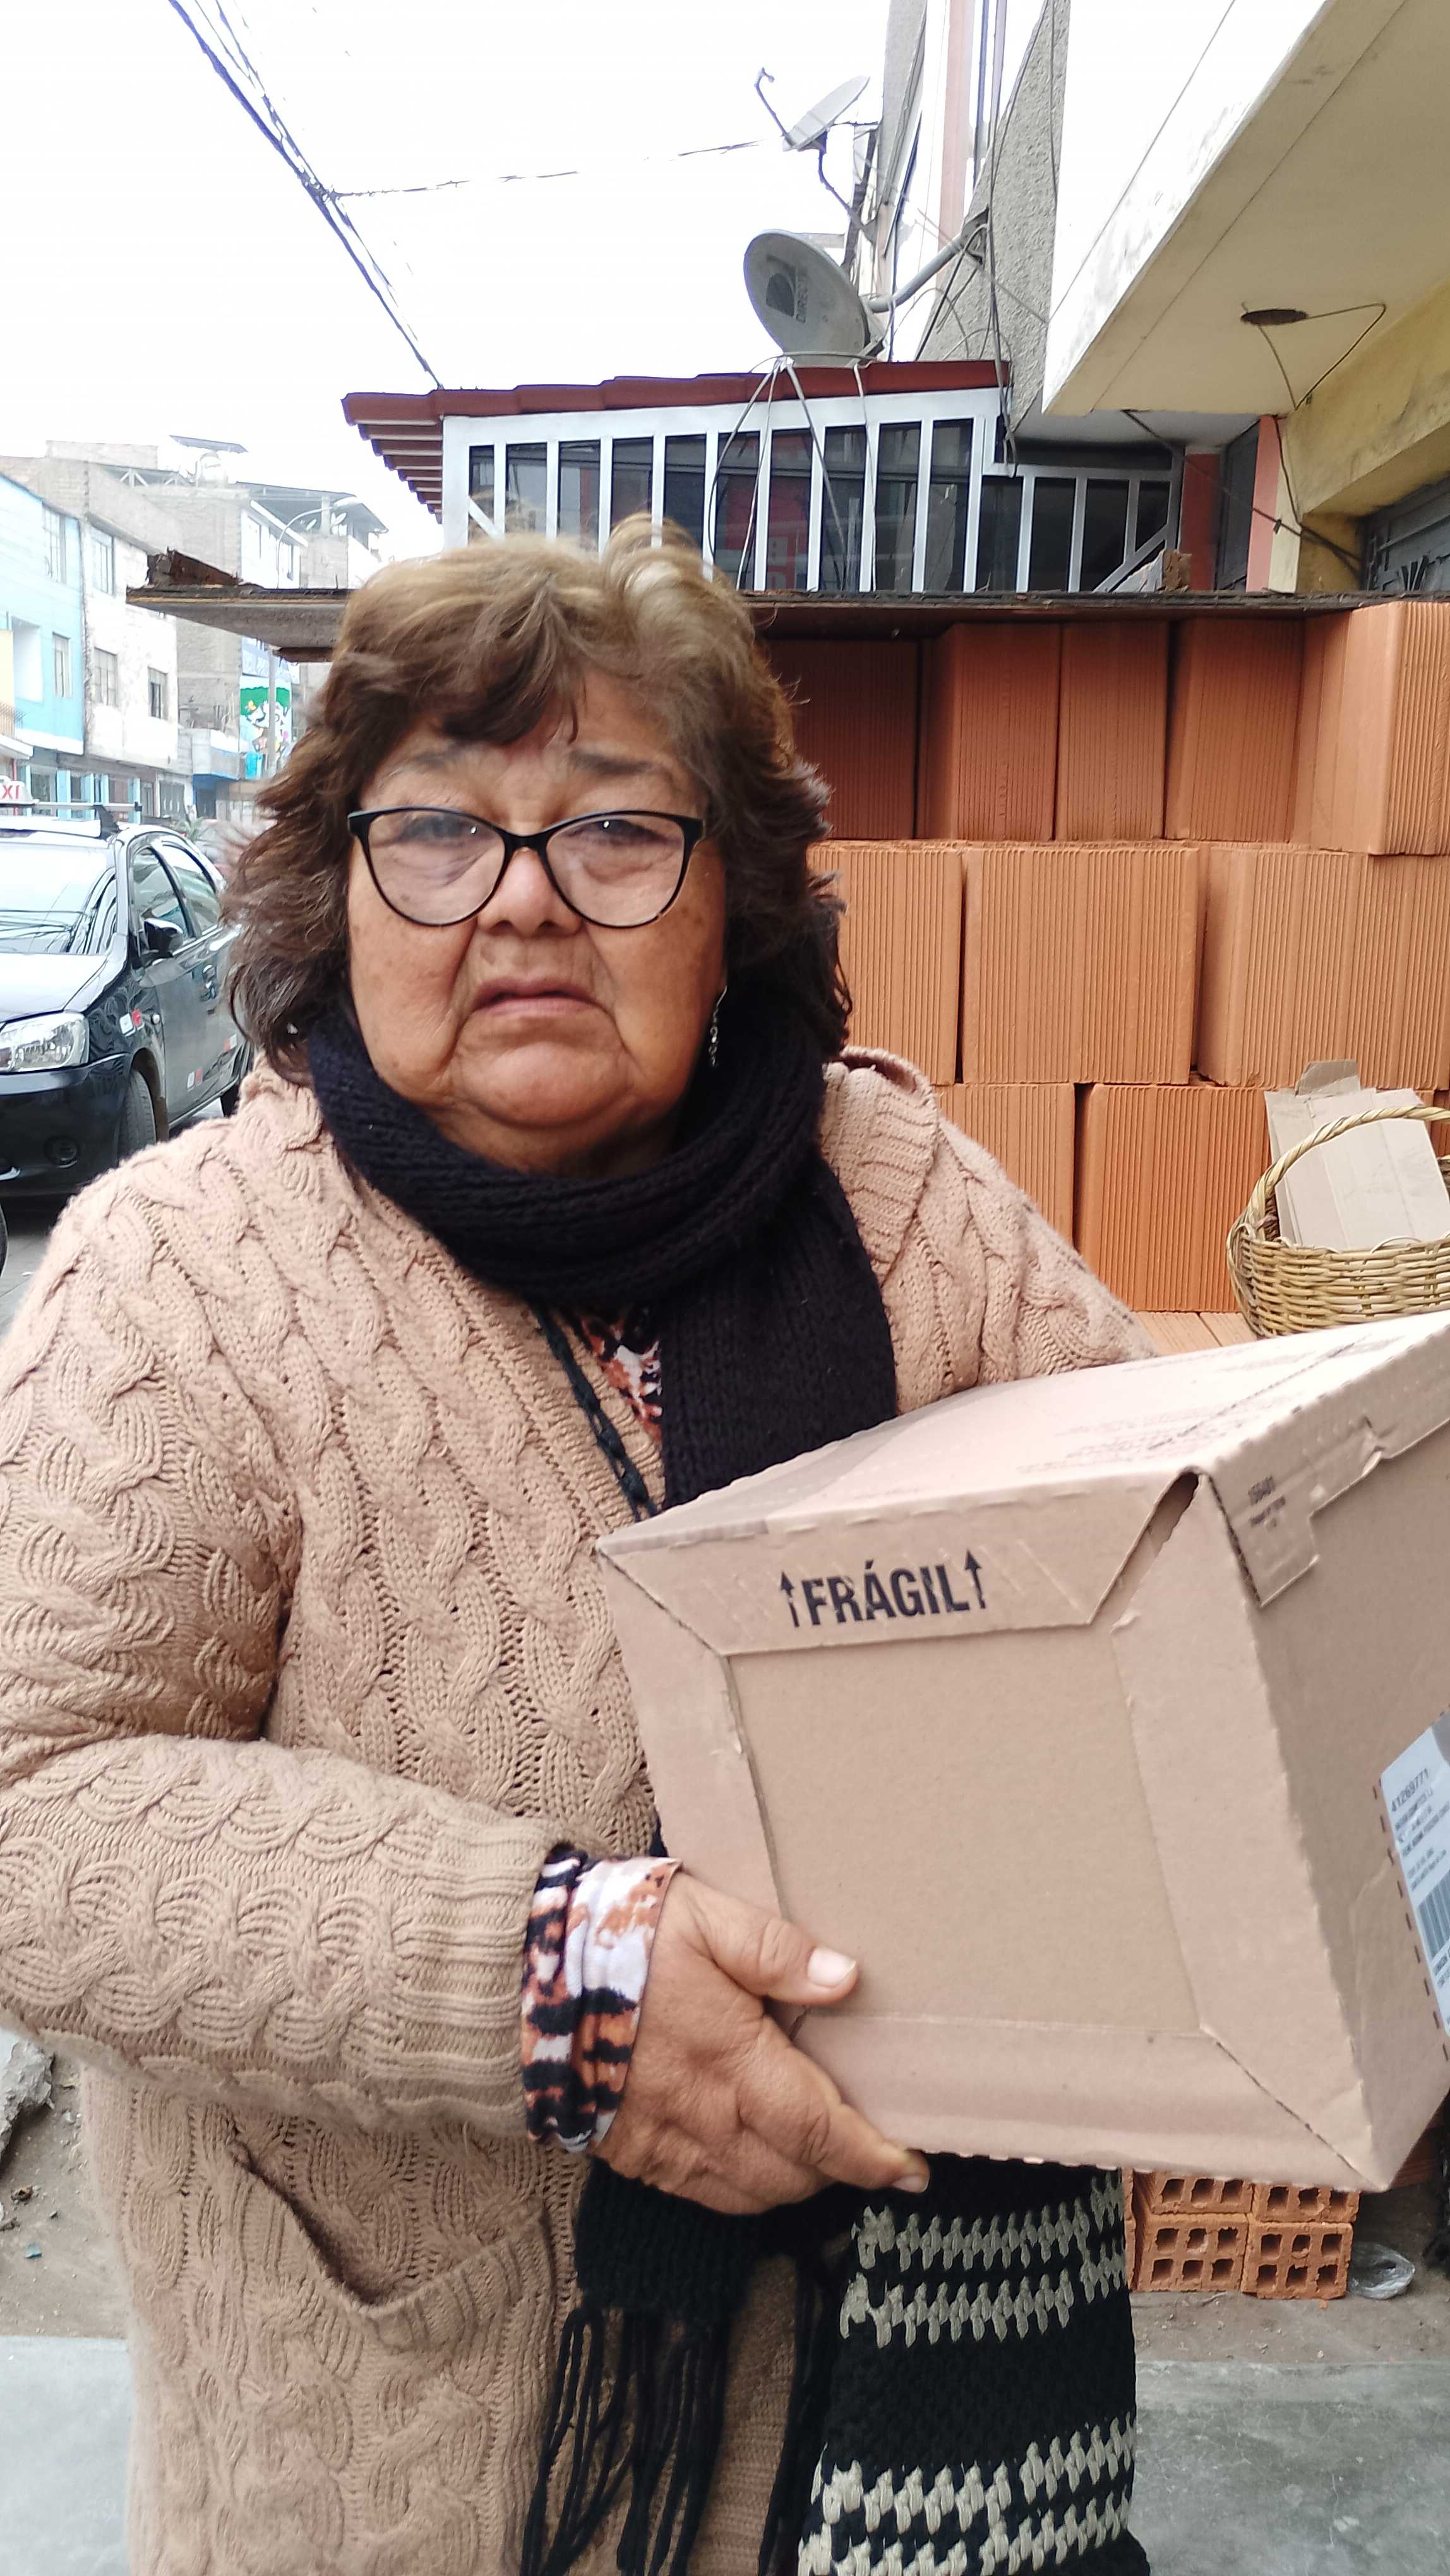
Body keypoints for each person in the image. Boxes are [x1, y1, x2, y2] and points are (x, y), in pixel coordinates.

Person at [0, 525, 1151, 2575]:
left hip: (889, 2448)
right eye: (439, 830)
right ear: (339, 888)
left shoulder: (903, 1201)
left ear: (733, 900)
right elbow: (32, 1810)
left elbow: (1169, 1598)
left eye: (617, 829)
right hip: (410, 2453)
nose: (525, 898)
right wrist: (561, 1983)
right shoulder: (186, 1276)